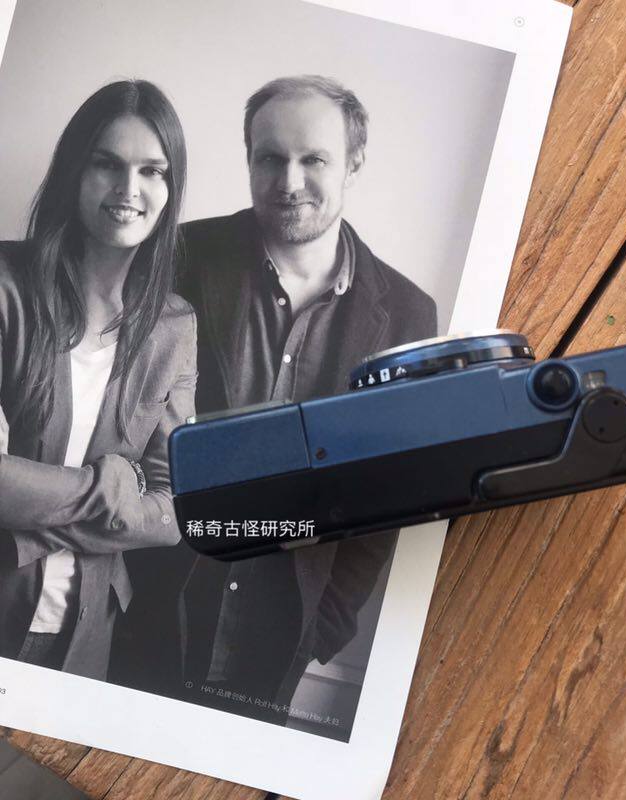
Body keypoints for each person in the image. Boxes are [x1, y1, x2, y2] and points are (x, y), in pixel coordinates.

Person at [126, 75, 437, 721]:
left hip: (279, 635)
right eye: (270, 158)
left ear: (353, 162)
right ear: (248, 159)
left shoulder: (409, 314)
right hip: (150, 605)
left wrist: (326, 621)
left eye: (313, 158)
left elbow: (392, 490)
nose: (289, 181)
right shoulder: (177, 256)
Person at [0, 80, 197, 681]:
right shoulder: (6, 288)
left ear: (170, 188)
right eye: (107, 163)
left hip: (87, 638)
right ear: (74, 171)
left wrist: (30, 495)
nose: (128, 189)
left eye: (152, 170)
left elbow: (177, 510)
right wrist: (112, 487)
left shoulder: (175, 326)